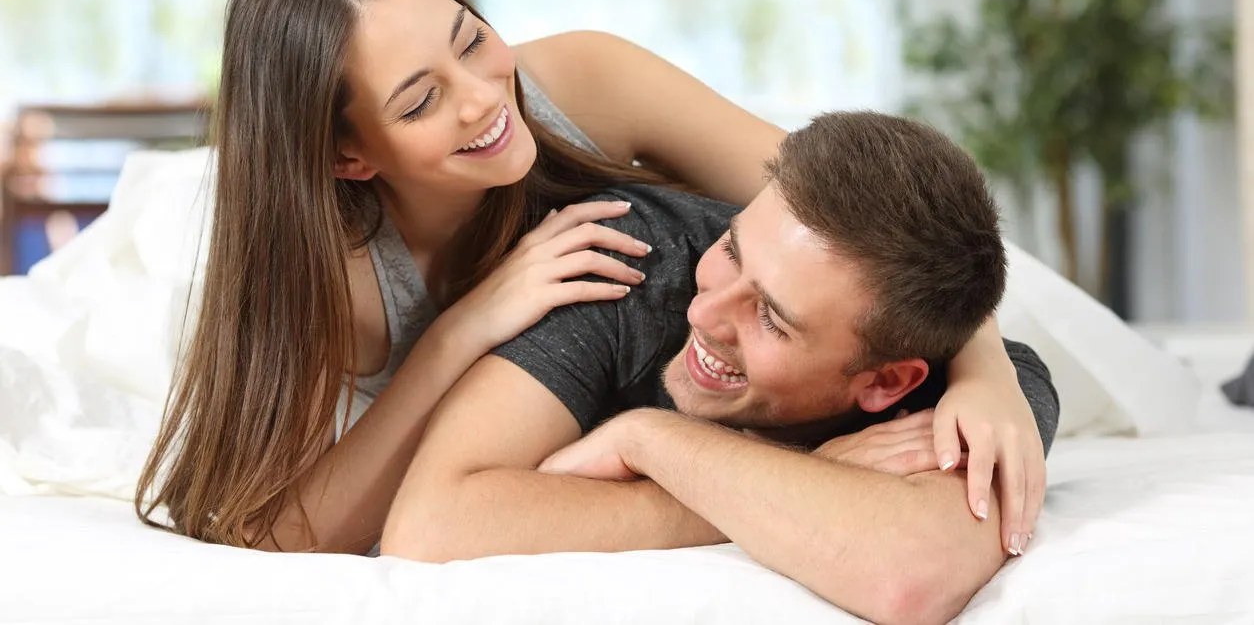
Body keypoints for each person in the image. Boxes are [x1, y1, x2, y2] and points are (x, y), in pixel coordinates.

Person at [135, 0, 1046, 559]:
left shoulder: (583, 81)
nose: (484, 99)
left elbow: (875, 224)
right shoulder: (334, 275)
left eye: (471, 41)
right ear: (348, 155)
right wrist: (465, 327)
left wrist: (985, 376)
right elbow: (281, 535)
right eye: (420, 101)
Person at [380, 111, 1058, 625]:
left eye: (772, 318)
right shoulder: (621, 264)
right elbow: (431, 525)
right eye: (731, 251)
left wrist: (649, 440)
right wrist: (806, 476)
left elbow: (910, 577)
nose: (705, 313)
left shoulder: (979, 402)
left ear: (886, 382)